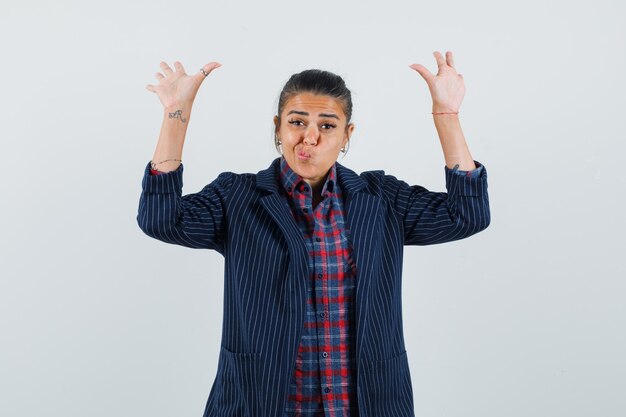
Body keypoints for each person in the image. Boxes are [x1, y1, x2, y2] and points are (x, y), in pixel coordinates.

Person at [137, 51, 490, 417]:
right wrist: (176, 116)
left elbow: (467, 215)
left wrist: (447, 116)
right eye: (297, 121)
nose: (310, 137)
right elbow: (161, 219)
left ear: (347, 134)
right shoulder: (238, 198)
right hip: (260, 403)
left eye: (327, 125)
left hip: (370, 403)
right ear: (278, 127)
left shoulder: (382, 199)